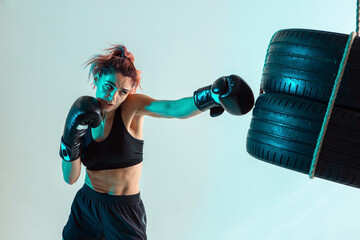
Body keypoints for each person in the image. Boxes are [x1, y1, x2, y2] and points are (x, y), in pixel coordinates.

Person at [60, 44, 254, 240]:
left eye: (123, 92)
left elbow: (172, 108)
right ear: (97, 78)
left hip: (123, 211)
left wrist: (211, 95)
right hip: (87, 205)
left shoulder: (131, 108)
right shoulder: (81, 117)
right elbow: (70, 178)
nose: (113, 97)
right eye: (109, 87)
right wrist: (70, 138)